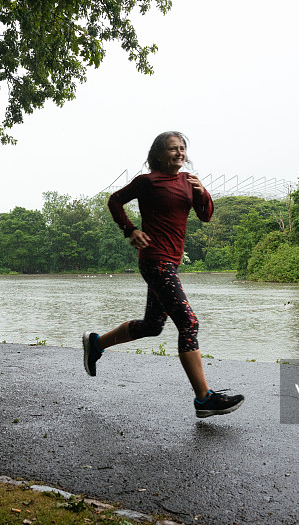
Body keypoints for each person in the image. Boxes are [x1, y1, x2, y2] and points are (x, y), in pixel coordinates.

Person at [83, 131, 245, 418]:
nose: (180, 153)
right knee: (189, 323)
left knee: (152, 325)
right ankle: (203, 399)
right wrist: (130, 229)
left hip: (171, 261)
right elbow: (114, 201)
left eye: (183, 148)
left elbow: (206, 215)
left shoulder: (187, 181)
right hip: (155, 261)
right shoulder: (147, 182)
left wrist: (202, 190)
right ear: (158, 154)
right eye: (173, 149)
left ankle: (96, 344)